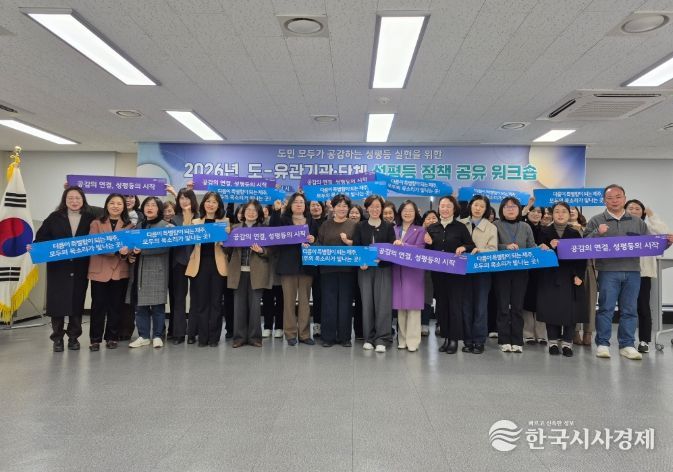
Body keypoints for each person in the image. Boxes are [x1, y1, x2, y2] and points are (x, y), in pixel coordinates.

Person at [584, 184, 671, 360]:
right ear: (604, 201)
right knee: (606, 309)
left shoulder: (637, 222)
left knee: (630, 310)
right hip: (608, 271)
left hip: (633, 271)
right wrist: (597, 233)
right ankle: (603, 344)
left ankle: (627, 344)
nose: (614, 201)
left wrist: (666, 244)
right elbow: (583, 245)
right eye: (610, 198)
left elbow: (649, 245)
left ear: (624, 198)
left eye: (618, 197)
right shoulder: (596, 220)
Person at [32, 186, 95, 352]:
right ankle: (57, 338)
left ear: (83, 200)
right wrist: (35, 247)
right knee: (57, 304)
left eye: (77, 198)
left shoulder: (90, 218)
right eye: (70, 198)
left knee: (76, 303)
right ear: (64, 200)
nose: (74, 201)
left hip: (80, 267)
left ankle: (74, 338)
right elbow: (41, 238)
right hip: (58, 268)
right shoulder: (54, 217)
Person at [424, 196, 474, 354]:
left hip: (455, 274)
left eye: (448, 206)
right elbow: (426, 252)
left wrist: (463, 248)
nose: (444, 209)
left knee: (454, 306)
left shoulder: (460, 227)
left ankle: (454, 340)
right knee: (442, 306)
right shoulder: (432, 228)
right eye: (442, 206)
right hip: (438, 274)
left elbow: (471, 245)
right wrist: (428, 243)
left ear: (454, 209)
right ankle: (445, 337)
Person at [537, 202, 587, 357]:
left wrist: (579, 275)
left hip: (570, 277)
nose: (560, 214)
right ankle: (552, 342)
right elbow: (537, 256)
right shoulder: (543, 231)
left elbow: (581, 256)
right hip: (549, 276)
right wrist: (548, 247)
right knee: (551, 309)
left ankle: (567, 343)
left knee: (571, 311)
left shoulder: (575, 233)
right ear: (552, 214)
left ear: (569, 214)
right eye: (557, 211)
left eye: (564, 211)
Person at [270, 194, 319, 346]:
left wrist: (313, 240)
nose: (299, 204)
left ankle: (304, 334)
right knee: (289, 301)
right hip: (288, 265)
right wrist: (276, 211)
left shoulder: (312, 221)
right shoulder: (283, 220)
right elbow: (273, 231)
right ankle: (290, 334)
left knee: (305, 302)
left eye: (301, 202)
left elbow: (318, 240)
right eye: (296, 202)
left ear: (305, 205)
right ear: (290, 205)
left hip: (306, 266)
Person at [87, 193, 133, 351]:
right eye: (112, 203)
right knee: (97, 307)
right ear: (106, 205)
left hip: (120, 271)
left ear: (124, 207)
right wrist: (117, 251)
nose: (115, 206)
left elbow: (130, 246)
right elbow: (94, 244)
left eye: (119, 203)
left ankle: (112, 337)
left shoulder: (129, 225)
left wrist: (127, 251)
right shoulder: (96, 223)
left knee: (116, 306)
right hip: (99, 271)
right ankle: (95, 339)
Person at [625, 199, 670, 353]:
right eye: (630, 208)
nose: (633, 211)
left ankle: (644, 341)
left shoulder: (648, 227)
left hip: (642, 273)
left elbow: (664, 233)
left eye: (637, 208)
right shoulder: (620, 226)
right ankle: (626, 341)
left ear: (643, 212)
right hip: (621, 271)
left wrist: (652, 216)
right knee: (625, 308)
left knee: (643, 307)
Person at [353, 194, 396, 353]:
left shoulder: (388, 227)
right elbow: (357, 247)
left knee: (383, 303)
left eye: (378, 206)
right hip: (365, 270)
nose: (375, 209)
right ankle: (369, 338)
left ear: (382, 209)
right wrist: (361, 262)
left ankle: (382, 338)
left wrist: (383, 260)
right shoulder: (360, 226)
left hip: (383, 269)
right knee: (367, 303)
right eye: (372, 206)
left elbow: (392, 250)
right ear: (367, 208)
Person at [185, 192, 229, 347]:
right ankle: (203, 337)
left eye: (214, 202)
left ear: (219, 205)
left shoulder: (225, 222)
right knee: (201, 303)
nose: (211, 204)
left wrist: (225, 243)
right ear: (203, 203)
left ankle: (214, 338)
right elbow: (186, 237)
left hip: (218, 265)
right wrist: (187, 213)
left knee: (216, 303)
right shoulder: (196, 222)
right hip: (200, 265)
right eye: (208, 201)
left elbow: (230, 246)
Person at [493, 197, 536, 353]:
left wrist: (541, 248)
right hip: (501, 272)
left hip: (521, 272)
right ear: (502, 210)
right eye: (507, 207)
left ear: (519, 209)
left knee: (518, 307)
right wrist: (505, 247)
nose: (510, 209)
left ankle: (517, 340)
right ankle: (504, 339)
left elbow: (532, 247)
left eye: (513, 207)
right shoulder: (495, 225)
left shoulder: (525, 226)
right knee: (503, 307)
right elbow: (491, 246)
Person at [226, 199, 272, 348]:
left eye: (254, 210)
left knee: (255, 307)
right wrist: (222, 242)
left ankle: (255, 337)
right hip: (238, 271)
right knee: (238, 306)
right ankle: (239, 337)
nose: (251, 213)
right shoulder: (234, 228)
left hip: (257, 272)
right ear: (243, 212)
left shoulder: (264, 230)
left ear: (259, 213)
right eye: (248, 210)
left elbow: (271, 251)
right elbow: (228, 250)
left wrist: (262, 250)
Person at [128, 197, 172, 348]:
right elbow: (132, 245)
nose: (150, 208)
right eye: (147, 205)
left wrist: (142, 250)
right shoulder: (139, 225)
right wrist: (131, 254)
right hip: (139, 269)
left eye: (154, 205)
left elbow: (165, 247)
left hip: (157, 269)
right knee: (140, 306)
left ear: (159, 209)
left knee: (157, 305)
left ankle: (158, 335)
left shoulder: (166, 226)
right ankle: (144, 336)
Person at [317, 194, 357, 347]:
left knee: (345, 303)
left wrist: (348, 242)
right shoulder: (325, 225)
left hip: (348, 270)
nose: (342, 208)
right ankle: (328, 337)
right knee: (328, 303)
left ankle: (345, 337)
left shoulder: (354, 225)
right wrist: (310, 247)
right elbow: (319, 244)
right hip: (327, 270)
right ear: (333, 208)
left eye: (345, 206)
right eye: (339, 205)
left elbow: (359, 246)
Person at [460, 195, 497, 354]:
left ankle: (479, 340)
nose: (478, 208)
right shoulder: (461, 223)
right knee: (466, 306)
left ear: (486, 209)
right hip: (463, 270)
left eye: (482, 206)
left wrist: (479, 251)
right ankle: (467, 340)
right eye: (476, 205)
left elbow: (493, 250)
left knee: (481, 306)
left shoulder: (491, 227)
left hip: (482, 271)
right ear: (470, 206)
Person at [392, 200, 426, 352]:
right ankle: (402, 339)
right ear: (400, 212)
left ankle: (413, 341)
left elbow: (420, 250)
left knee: (413, 307)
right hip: (397, 271)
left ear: (415, 213)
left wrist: (403, 245)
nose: (407, 213)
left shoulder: (421, 230)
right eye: (405, 210)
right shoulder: (394, 229)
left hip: (413, 272)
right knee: (400, 307)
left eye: (411, 210)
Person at [169, 188, 199, 344]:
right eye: (181, 198)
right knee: (179, 298)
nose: (184, 201)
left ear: (192, 200)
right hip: (179, 262)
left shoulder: (200, 217)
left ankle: (193, 332)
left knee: (196, 298)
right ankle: (179, 333)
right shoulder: (174, 219)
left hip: (197, 261)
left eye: (187, 198)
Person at [568, 206, 596, 346]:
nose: (572, 210)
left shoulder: (587, 228)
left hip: (589, 266)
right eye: (568, 208)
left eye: (574, 208)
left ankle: (588, 332)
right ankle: (574, 332)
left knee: (590, 300)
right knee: (574, 300)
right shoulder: (561, 228)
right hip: (571, 269)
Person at [522, 202, 547, 345]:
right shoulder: (522, 226)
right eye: (533, 211)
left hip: (541, 271)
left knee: (541, 301)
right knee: (527, 301)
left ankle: (541, 334)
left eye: (539, 212)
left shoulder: (545, 230)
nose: (536, 214)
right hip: (526, 269)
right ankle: (528, 333)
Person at [309, 200, 326, 337]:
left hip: (325, 265)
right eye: (312, 205)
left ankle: (325, 324)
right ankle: (317, 325)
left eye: (318, 205)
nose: (315, 207)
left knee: (324, 296)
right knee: (315, 297)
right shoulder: (305, 222)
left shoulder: (328, 222)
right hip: (309, 265)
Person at [421, 210, 439, 336]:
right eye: (428, 218)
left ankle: (440, 323)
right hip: (425, 270)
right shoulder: (420, 233)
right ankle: (424, 324)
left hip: (441, 269)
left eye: (434, 218)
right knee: (426, 297)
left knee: (441, 297)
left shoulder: (443, 231)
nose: (431, 220)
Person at [349, 204, 365, 339]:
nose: (354, 215)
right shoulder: (344, 226)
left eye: (356, 213)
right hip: (346, 269)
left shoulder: (364, 227)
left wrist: (349, 242)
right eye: (352, 213)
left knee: (361, 300)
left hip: (362, 269)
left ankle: (360, 330)